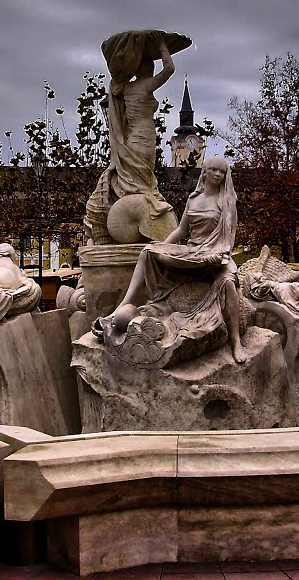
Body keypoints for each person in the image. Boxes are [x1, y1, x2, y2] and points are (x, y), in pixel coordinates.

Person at [99, 155, 248, 364]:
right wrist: (164, 247)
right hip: (194, 253)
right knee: (147, 253)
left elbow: (229, 236)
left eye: (222, 172)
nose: (218, 174)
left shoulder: (227, 201)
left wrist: (218, 254)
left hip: (217, 255)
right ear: (204, 171)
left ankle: (236, 341)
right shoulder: (193, 200)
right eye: (214, 170)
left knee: (228, 282)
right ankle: (124, 303)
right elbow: (181, 229)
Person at [84, 30, 189, 244]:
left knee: (139, 179)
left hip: (135, 137)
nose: (152, 68)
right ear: (145, 68)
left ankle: (136, 207)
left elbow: (114, 85)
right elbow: (169, 68)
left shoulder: (125, 88)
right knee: (144, 181)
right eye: (149, 64)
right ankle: (145, 210)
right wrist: (161, 45)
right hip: (143, 138)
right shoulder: (144, 85)